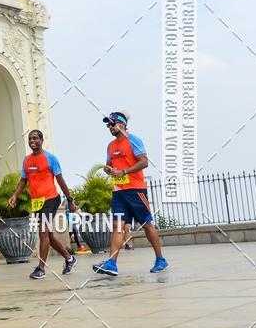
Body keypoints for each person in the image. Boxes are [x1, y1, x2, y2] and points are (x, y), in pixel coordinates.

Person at [93, 112, 168, 277]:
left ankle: (160, 259)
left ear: (122, 124)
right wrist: (109, 170)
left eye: (112, 124)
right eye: (108, 125)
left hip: (136, 190)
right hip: (119, 192)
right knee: (117, 226)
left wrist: (124, 171)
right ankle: (111, 263)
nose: (110, 127)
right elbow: (110, 166)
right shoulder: (110, 146)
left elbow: (144, 161)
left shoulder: (134, 140)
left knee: (147, 225)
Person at [9, 130, 79, 280]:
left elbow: (60, 180)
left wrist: (70, 200)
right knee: (48, 236)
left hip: (51, 199)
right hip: (37, 202)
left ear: (41, 140)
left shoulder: (50, 158)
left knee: (43, 232)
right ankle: (69, 258)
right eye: (30, 138)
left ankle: (41, 268)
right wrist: (15, 195)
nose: (32, 141)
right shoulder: (26, 160)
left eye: (35, 138)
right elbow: (23, 181)